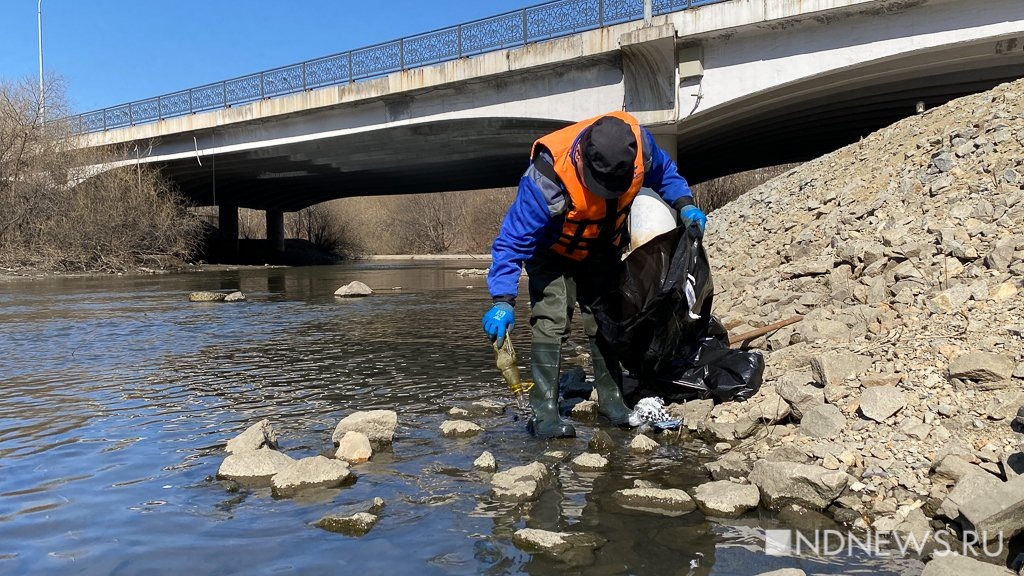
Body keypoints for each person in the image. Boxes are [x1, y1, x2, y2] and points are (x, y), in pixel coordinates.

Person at [481, 111, 707, 438]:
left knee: (606, 319)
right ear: (583, 159)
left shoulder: (640, 146)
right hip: (553, 253)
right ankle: (544, 413)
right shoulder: (547, 177)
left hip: (602, 250)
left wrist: (684, 203)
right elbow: (512, 241)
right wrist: (502, 300)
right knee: (552, 320)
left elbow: (665, 173)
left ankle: (612, 402)